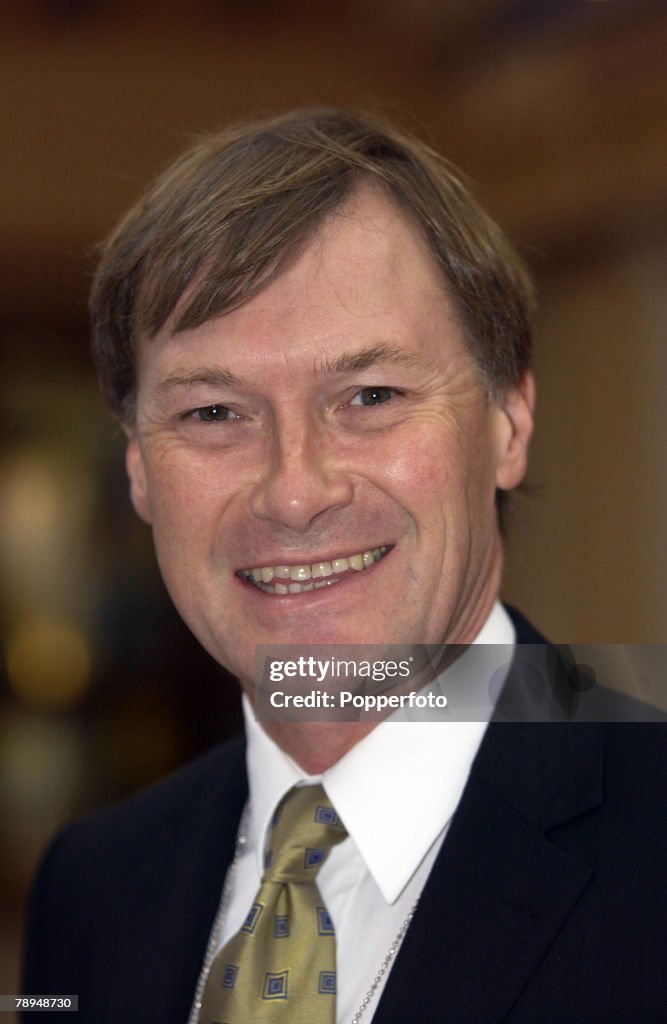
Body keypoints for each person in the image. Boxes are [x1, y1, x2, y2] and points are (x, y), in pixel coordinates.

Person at [22, 109, 666, 1023]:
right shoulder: (94, 888)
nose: (294, 492)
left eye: (370, 396)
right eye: (213, 413)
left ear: (507, 426)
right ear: (137, 467)